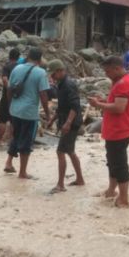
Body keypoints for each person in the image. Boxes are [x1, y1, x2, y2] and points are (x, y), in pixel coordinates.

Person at [88, 55, 129, 208]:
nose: (106, 74)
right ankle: (111, 191)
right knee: (112, 163)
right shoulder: (121, 81)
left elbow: (119, 108)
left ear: (117, 68)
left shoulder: (124, 83)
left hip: (120, 131)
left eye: (108, 71)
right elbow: (116, 102)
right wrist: (104, 101)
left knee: (120, 165)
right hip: (116, 130)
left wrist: (98, 105)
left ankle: (123, 199)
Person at [4, 47, 50, 179]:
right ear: (40, 59)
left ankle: (8, 163)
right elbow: (43, 95)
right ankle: (22, 172)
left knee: (16, 136)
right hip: (29, 113)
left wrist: (10, 105)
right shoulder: (40, 73)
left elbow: (9, 89)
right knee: (26, 141)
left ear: (28, 56)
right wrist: (47, 113)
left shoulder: (17, 68)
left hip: (15, 110)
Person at [46, 60, 84, 193]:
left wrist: (68, 123)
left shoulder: (68, 85)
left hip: (71, 123)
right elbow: (62, 107)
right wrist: (52, 120)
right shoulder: (61, 84)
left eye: (53, 74)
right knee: (70, 151)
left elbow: (75, 106)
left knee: (60, 151)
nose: (52, 77)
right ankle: (80, 179)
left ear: (59, 71)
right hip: (67, 121)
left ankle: (60, 184)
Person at [0, 48, 20, 147]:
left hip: (6, 96)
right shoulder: (20, 67)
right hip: (17, 97)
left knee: (2, 119)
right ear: (18, 57)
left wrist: (9, 89)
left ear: (10, 56)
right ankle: (13, 141)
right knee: (14, 119)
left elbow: (5, 80)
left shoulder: (7, 66)